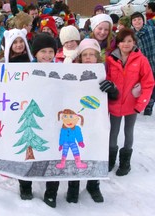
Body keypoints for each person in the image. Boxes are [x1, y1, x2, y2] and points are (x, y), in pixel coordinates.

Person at [104, 28, 154, 176]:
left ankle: (125, 162)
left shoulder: (141, 60)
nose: (126, 44)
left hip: (132, 105)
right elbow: (105, 80)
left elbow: (148, 83)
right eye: (123, 41)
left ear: (134, 43)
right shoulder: (110, 60)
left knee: (128, 131)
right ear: (118, 44)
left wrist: (141, 104)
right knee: (113, 132)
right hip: (115, 104)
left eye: (129, 41)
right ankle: (110, 159)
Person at [62, 38, 106, 204]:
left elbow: (113, 96)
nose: (88, 57)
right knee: (76, 152)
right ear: (80, 57)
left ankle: (93, 184)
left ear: (97, 57)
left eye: (92, 55)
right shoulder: (72, 72)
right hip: (76, 119)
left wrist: (112, 90)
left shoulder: (103, 72)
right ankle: (73, 185)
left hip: (96, 120)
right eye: (85, 54)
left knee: (94, 150)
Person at [25, 33, 60, 208]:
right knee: (29, 152)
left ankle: (51, 192)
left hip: (54, 120)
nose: (47, 55)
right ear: (35, 53)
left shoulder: (62, 70)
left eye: (50, 51)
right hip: (32, 119)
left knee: (53, 154)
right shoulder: (25, 71)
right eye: (42, 52)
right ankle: (25, 185)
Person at [131, 12, 155, 116]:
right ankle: (146, 102)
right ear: (132, 22)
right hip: (143, 65)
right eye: (134, 20)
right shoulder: (132, 35)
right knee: (146, 85)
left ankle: (150, 104)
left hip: (154, 59)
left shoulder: (151, 29)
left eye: (139, 19)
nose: (137, 21)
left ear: (143, 20)